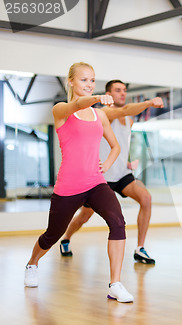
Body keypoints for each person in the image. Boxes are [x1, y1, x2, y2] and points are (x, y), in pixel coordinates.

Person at [24, 62, 133, 302]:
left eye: (92, 80)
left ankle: (115, 283)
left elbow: (115, 146)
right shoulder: (61, 110)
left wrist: (107, 163)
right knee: (53, 234)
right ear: (71, 81)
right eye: (84, 80)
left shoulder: (99, 114)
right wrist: (96, 97)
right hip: (69, 186)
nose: (89, 84)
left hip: (96, 183)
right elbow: (76, 104)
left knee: (118, 221)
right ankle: (32, 263)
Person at [59, 80, 163, 264]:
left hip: (122, 174)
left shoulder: (128, 121)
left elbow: (120, 144)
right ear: (108, 93)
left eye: (124, 90)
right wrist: (148, 103)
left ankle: (140, 248)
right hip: (101, 177)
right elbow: (123, 110)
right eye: (117, 90)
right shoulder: (106, 113)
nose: (122, 93)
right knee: (84, 216)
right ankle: (66, 238)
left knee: (146, 199)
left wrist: (127, 161)